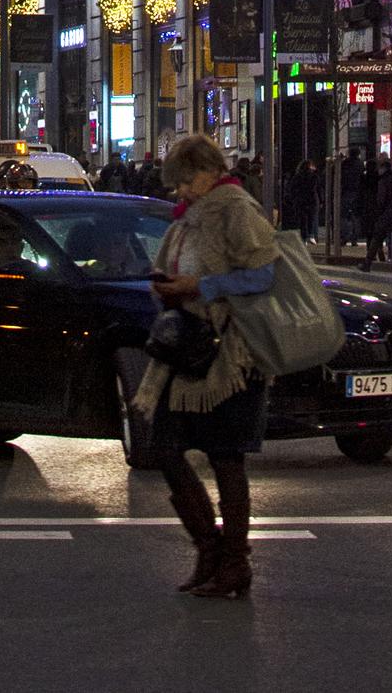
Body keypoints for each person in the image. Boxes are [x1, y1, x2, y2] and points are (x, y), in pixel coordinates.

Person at [134, 131, 278, 604]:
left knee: (225, 457)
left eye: (185, 180)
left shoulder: (235, 209)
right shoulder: (189, 217)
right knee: (166, 448)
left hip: (230, 354)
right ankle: (210, 549)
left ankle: (233, 560)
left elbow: (263, 273)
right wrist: (168, 286)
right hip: (189, 349)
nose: (180, 191)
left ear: (209, 172)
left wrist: (201, 286)